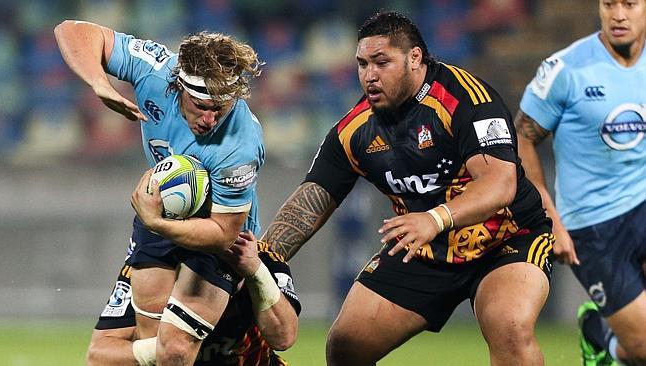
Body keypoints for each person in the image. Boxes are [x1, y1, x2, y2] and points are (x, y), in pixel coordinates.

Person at [259, 11, 555, 366]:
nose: (369, 75)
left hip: (506, 237)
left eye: (381, 62)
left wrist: (435, 218)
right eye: (362, 64)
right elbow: (313, 197)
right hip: (425, 248)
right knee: (345, 347)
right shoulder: (354, 130)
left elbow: (499, 184)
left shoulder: (469, 100)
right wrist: (261, 260)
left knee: (508, 326)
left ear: (415, 57)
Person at [54, 20, 266, 365]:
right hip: (163, 213)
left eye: (220, 107)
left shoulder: (239, 145)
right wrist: (99, 83)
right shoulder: (155, 71)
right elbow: (71, 30)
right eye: (201, 104)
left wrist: (156, 221)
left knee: (177, 350)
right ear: (179, 85)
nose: (210, 119)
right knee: (154, 345)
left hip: (220, 238)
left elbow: (222, 234)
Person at [515, 0, 646, 365]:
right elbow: (522, 139)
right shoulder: (566, 69)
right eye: (609, 4)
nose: (618, 14)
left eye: (630, 4)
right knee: (642, 349)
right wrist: (549, 217)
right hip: (592, 224)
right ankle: (601, 335)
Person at [86, 231, 300, 366]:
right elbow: (99, 356)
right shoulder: (148, 271)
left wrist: (255, 272)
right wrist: (170, 349)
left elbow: (284, 337)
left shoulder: (261, 258)